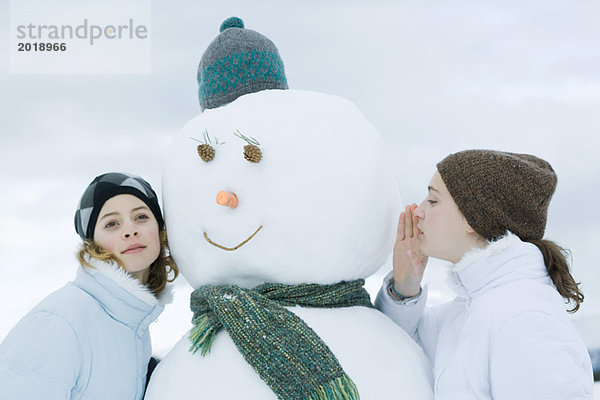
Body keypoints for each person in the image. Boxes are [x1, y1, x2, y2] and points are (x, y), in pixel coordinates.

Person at [375, 150, 594, 399]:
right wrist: (404, 287)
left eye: (433, 200)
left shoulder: (526, 321)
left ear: (473, 218)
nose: (418, 211)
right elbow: (399, 347)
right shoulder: (468, 310)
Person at [0, 172, 178, 400]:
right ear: (93, 244)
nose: (130, 230)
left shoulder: (133, 327)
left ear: (160, 230)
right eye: (112, 223)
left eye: (141, 217)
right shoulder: (62, 320)